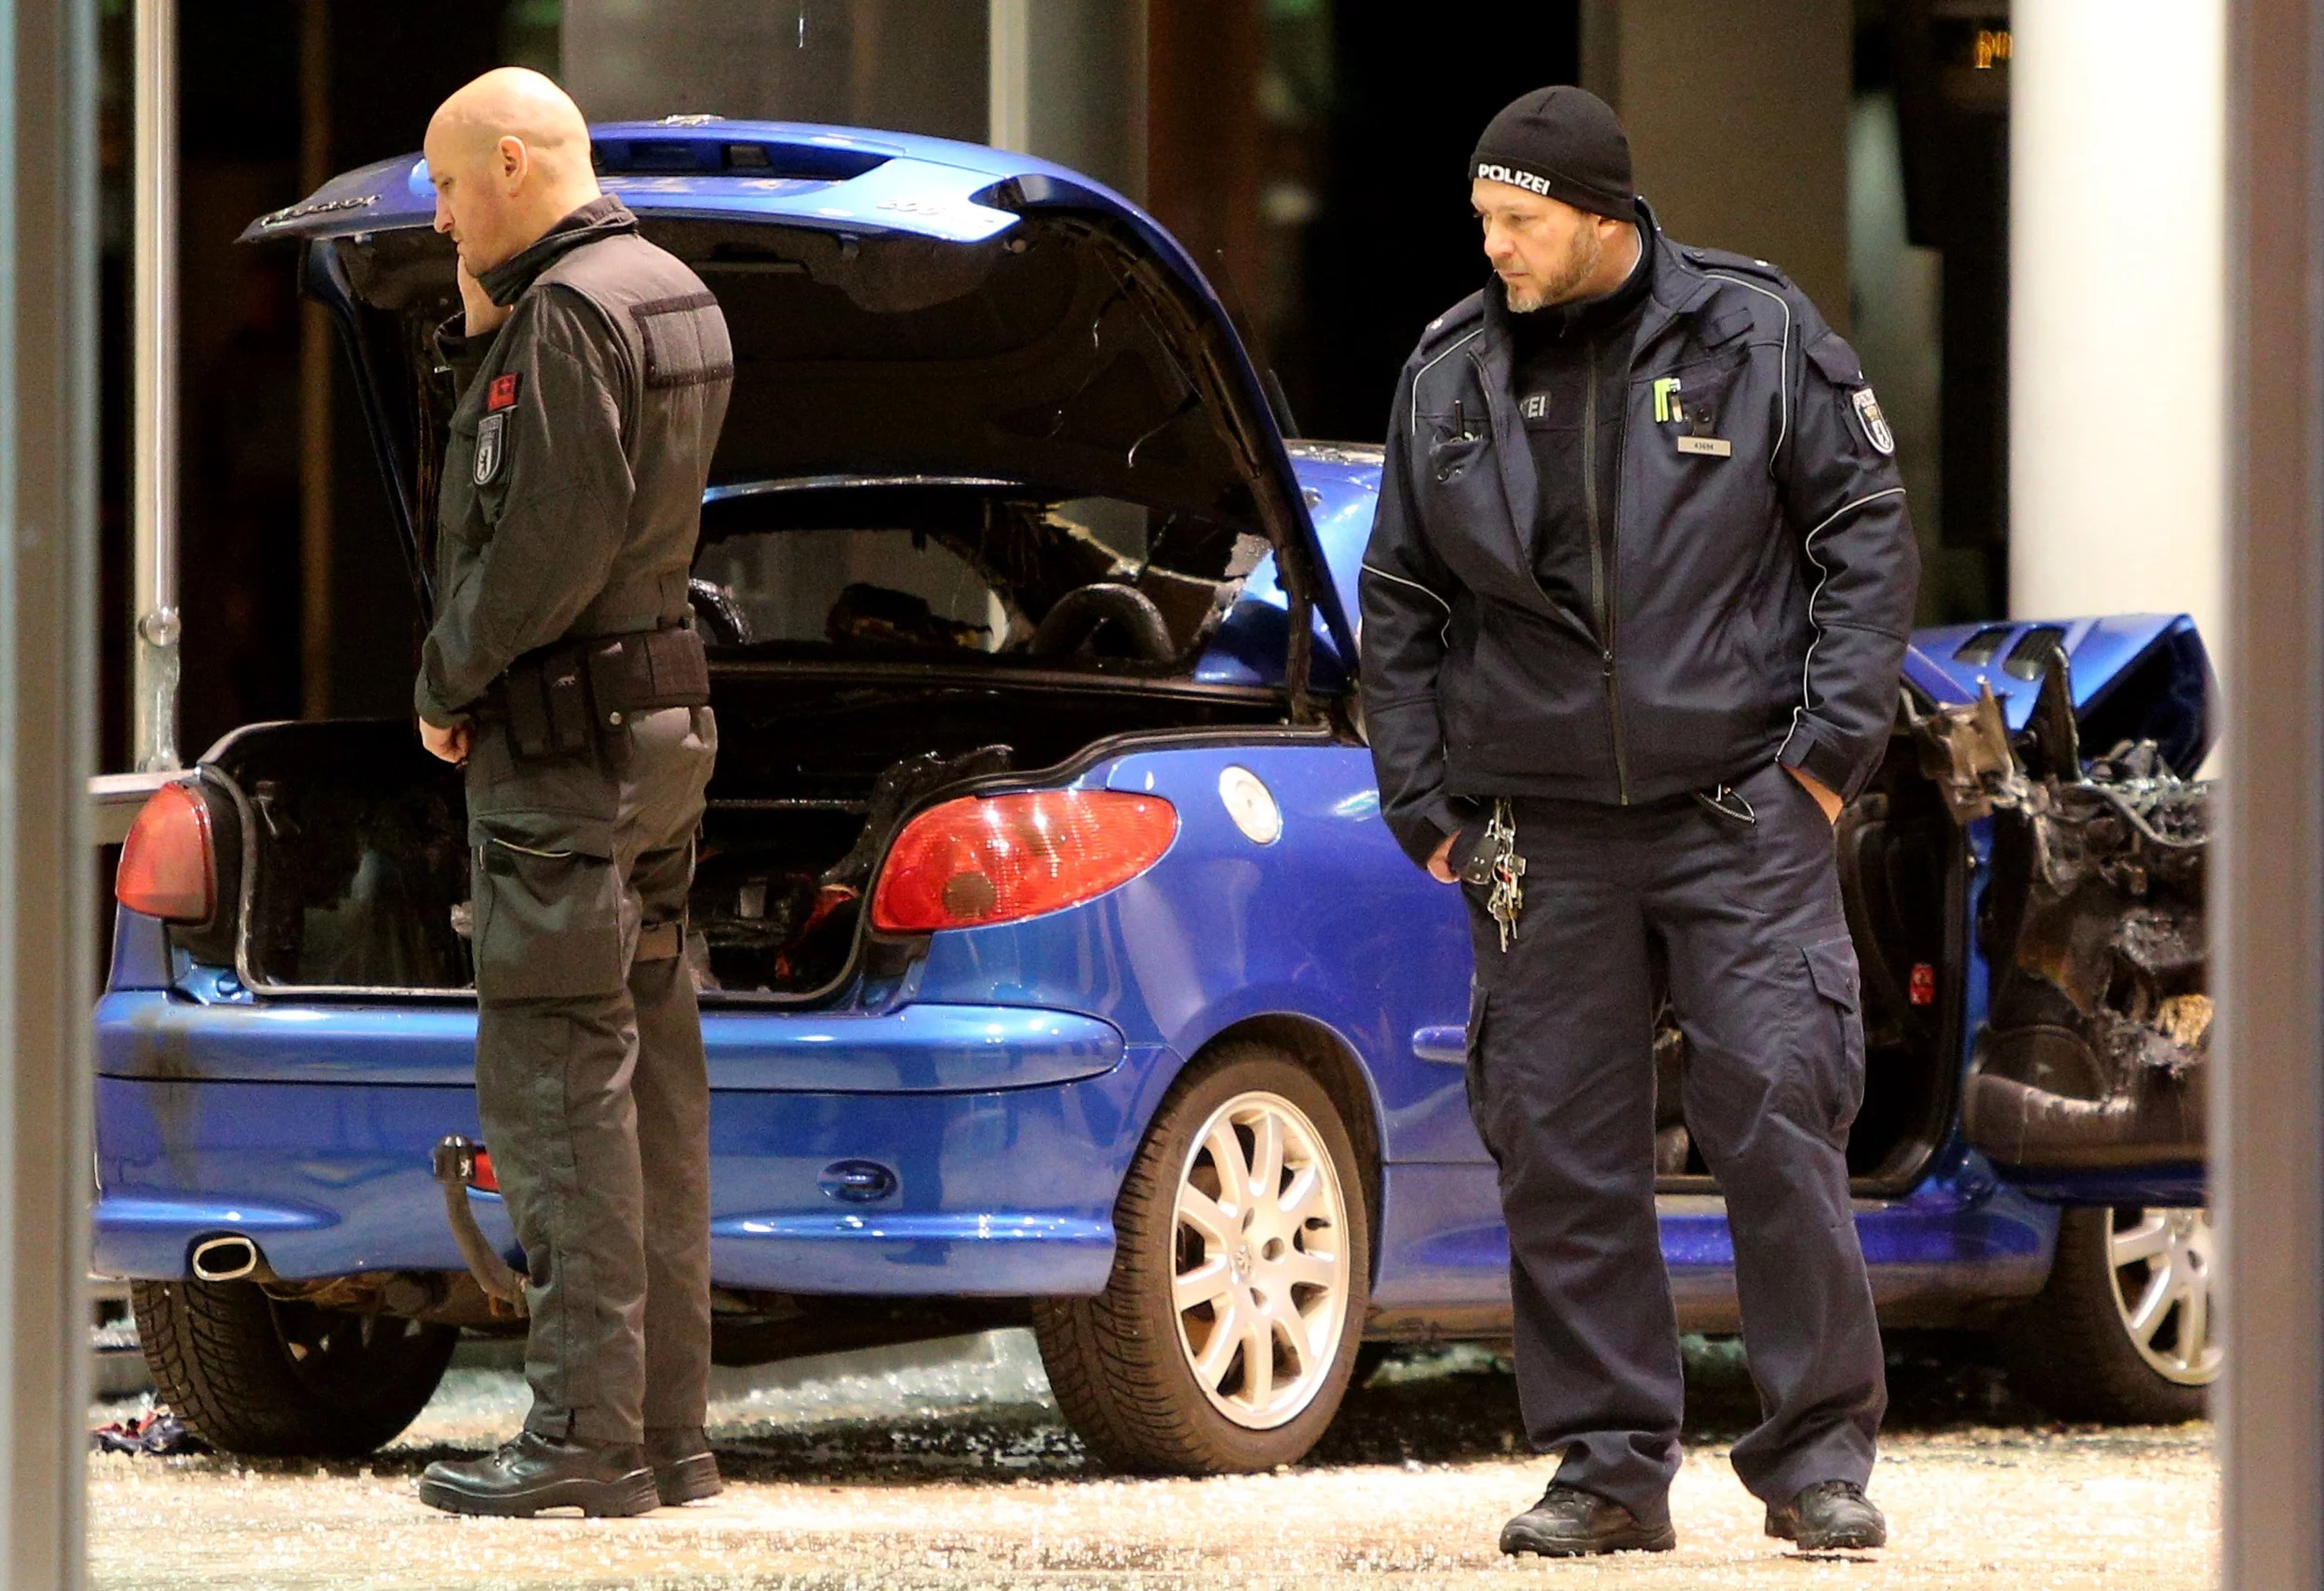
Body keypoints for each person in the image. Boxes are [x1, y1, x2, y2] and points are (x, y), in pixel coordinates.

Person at [1359, 86, 1917, 1557]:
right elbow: (1401, 602)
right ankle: (1607, 1468)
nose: (1496, 248)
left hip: (1740, 814)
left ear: (1603, 218)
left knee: (1778, 1125)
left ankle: (1815, 1462)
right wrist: (1424, 804)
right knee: (1558, 1146)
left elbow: (1865, 536)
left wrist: (1824, 760)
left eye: (1521, 221)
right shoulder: (1451, 373)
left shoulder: (1756, 331)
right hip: (1539, 835)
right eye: (1485, 219)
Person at [407, 68, 732, 1519]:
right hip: (661, 732)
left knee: (557, 1083)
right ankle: (666, 1438)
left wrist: (445, 678)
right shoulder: (668, 287)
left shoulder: (567, 317)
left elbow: (541, 540)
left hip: (562, 748)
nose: (437, 217)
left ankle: (585, 1439)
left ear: (517, 161)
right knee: (651, 1081)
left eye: (447, 187)